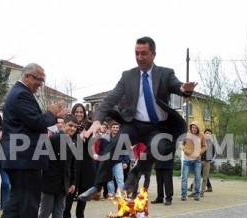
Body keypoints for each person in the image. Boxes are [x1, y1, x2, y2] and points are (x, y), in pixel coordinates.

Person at [77, 36, 196, 201]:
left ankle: (136, 172)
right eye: (137, 53)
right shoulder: (128, 76)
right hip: (134, 124)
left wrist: (184, 89)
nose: (140, 57)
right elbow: (110, 99)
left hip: (157, 127)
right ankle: (96, 186)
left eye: (144, 53)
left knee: (159, 146)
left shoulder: (165, 73)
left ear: (153, 54)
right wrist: (97, 120)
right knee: (114, 146)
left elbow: (177, 86)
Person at [0, 63, 68, 218]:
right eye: (39, 79)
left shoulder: (19, 93)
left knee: (18, 200)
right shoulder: (21, 94)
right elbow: (36, 122)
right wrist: (51, 114)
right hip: (25, 158)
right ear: (27, 77)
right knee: (29, 202)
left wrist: (49, 115)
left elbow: (31, 122)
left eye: (42, 79)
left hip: (21, 157)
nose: (41, 83)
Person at [37, 114, 78, 218]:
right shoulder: (52, 139)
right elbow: (44, 159)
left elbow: (73, 164)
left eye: (75, 127)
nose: (72, 129)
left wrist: (72, 182)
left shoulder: (73, 142)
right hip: (50, 177)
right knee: (47, 203)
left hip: (64, 178)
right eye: (70, 125)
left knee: (61, 203)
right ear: (63, 125)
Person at [63, 103, 93, 218]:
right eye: (77, 112)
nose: (79, 114)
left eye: (81, 112)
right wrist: (79, 138)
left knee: (84, 188)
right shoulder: (71, 126)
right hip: (73, 160)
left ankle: (80, 213)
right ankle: (66, 213)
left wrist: (88, 135)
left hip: (86, 160)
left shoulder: (89, 125)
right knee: (72, 187)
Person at [181, 122, 206, 200]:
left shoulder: (201, 135)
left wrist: (200, 152)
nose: (194, 129)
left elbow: (204, 146)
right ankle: (183, 195)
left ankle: (196, 194)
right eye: (193, 127)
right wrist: (184, 149)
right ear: (190, 127)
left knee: (198, 179)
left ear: (198, 128)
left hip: (197, 161)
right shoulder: (186, 134)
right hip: (187, 160)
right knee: (184, 178)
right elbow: (182, 144)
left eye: (195, 128)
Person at [201, 128, 216, 192]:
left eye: (209, 134)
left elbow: (213, 153)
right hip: (199, 161)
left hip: (207, 162)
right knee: (199, 174)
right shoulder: (201, 141)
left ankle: (206, 188)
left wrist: (209, 160)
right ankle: (209, 187)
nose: (208, 135)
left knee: (204, 175)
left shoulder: (211, 143)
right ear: (204, 134)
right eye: (207, 133)